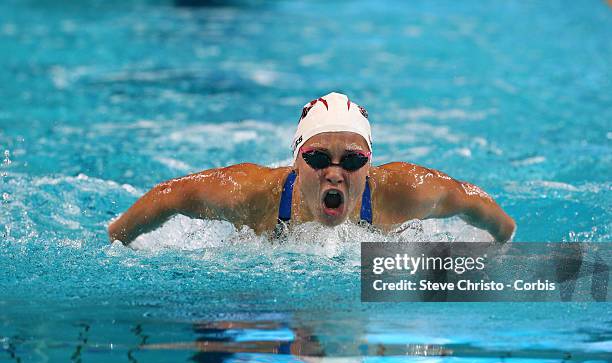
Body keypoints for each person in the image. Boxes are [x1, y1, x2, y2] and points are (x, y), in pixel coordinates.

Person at [108, 92, 515, 244]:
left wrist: (500, 246)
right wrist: (116, 242)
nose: (334, 172)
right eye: (318, 157)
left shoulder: (407, 190)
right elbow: (169, 196)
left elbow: (482, 208)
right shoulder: (252, 194)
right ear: (295, 161)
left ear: (369, 165)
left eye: (352, 160)